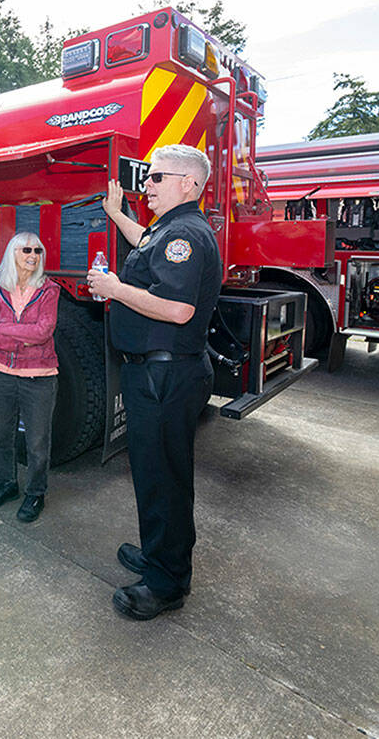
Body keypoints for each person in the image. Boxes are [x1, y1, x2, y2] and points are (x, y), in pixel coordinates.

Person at [87, 143, 222, 621]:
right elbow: (147, 240)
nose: (148, 184)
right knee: (153, 472)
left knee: (163, 478)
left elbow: (178, 309)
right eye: (149, 176)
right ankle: (157, 554)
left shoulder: (185, 233)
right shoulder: (170, 229)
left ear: (188, 183)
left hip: (166, 375)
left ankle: (165, 584)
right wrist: (118, 214)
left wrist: (115, 289)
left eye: (157, 177)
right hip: (160, 371)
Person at [0, 232, 60, 523]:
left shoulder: (49, 290)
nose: (33, 255)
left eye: (38, 250)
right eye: (26, 249)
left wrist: (4, 328)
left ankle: (36, 493)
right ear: (12, 253)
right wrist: (14, 341)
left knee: (37, 442)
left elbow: (43, 332)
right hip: (1, 373)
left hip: (39, 377)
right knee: (4, 436)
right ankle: (7, 485)